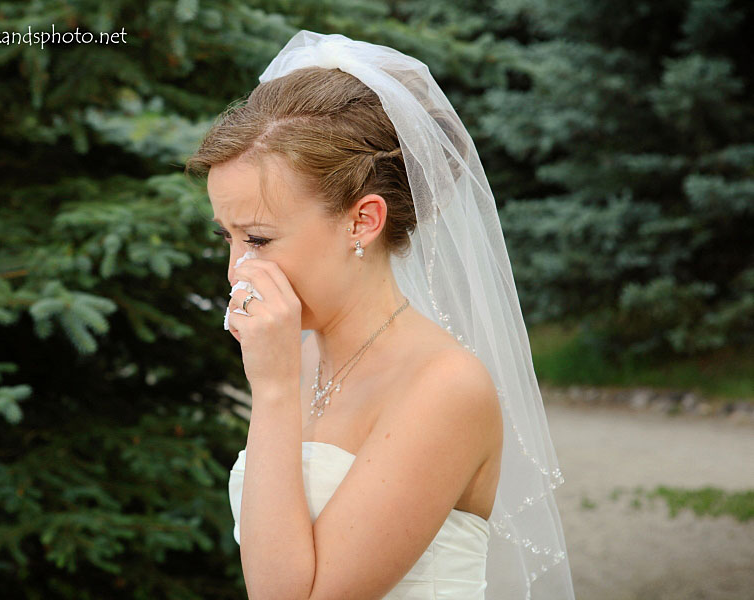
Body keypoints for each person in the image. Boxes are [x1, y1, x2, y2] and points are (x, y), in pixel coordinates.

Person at [185, 30, 575, 600]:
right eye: (229, 237)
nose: (236, 271)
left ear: (363, 221)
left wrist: (272, 392)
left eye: (259, 239)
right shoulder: (300, 356)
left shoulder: (445, 387)